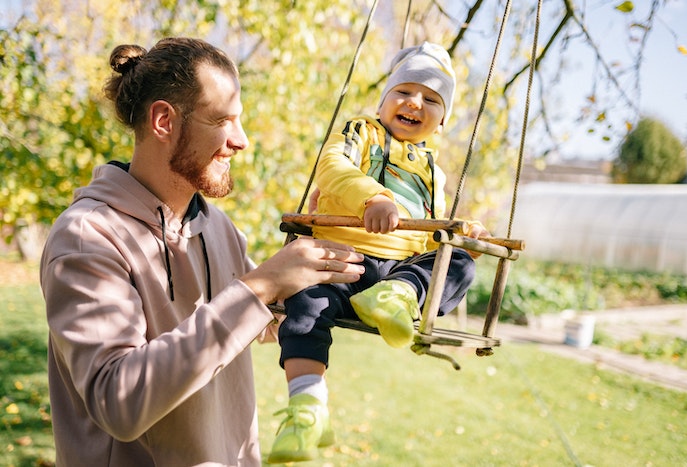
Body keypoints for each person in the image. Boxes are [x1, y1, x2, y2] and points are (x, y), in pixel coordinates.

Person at [39, 37, 366, 467]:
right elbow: (119, 401)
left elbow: (255, 321)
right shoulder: (89, 237)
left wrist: (318, 272)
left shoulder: (218, 227)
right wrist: (261, 285)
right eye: (222, 120)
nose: (242, 141)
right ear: (163, 121)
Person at [268, 42, 489, 463]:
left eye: (431, 99)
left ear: (441, 123)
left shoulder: (433, 173)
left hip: (396, 271)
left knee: (457, 262)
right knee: (305, 305)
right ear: (383, 101)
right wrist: (373, 198)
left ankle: (398, 296)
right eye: (404, 92)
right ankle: (307, 409)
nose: (414, 103)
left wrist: (459, 234)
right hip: (342, 260)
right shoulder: (362, 133)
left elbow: (428, 238)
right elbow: (332, 167)